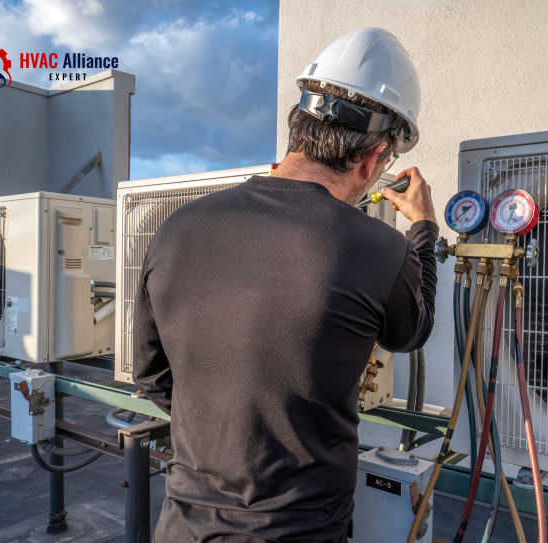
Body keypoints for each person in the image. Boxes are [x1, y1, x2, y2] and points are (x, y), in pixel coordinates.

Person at [133, 27, 438, 543]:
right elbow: (413, 330)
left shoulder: (178, 228)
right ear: (373, 158)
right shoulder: (378, 248)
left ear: (298, 126)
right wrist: (424, 228)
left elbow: (152, 376)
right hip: (298, 530)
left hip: (182, 526)